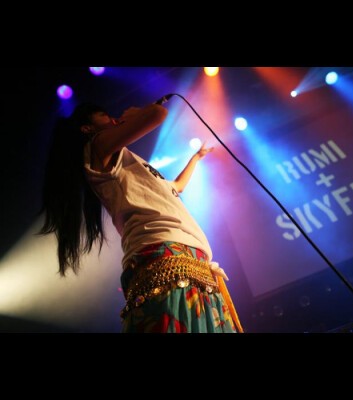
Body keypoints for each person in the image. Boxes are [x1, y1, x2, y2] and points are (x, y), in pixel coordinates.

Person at [40, 101, 243, 333]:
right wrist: (137, 114)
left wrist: (197, 157)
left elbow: (177, 186)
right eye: (104, 115)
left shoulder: (134, 165)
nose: (113, 118)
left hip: (192, 259)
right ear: (87, 128)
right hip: (165, 253)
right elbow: (158, 113)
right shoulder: (97, 146)